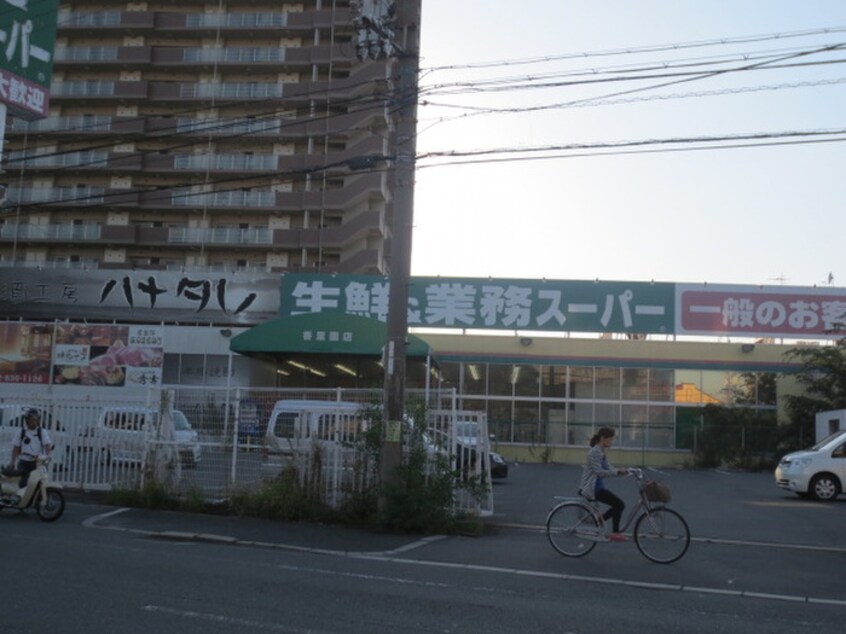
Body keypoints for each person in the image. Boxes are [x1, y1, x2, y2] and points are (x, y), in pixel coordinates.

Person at [579, 427, 628, 542]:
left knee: (618, 505)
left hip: (598, 486)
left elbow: (608, 467)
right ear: (602, 439)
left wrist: (624, 471)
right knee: (619, 504)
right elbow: (599, 472)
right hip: (593, 488)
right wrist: (617, 472)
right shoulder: (595, 452)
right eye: (610, 439)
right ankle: (615, 532)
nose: (611, 442)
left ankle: (600, 520)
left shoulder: (601, 451)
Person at [9, 408, 52, 488]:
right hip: (23, 462)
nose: (33, 422)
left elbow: (47, 446)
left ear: (38, 420)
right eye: (31, 419)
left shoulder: (42, 432)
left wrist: (48, 456)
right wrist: (12, 462)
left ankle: (37, 500)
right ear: (27, 420)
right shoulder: (21, 432)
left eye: (36, 420)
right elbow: (16, 448)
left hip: (38, 463)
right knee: (22, 484)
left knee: (38, 485)